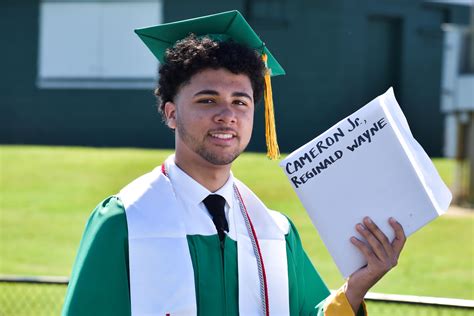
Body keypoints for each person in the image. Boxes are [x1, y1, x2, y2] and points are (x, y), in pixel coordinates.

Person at [62, 10, 406, 316]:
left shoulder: (275, 232)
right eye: (207, 100)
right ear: (171, 114)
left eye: (240, 102)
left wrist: (357, 287)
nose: (227, 115)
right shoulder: (125, 221)